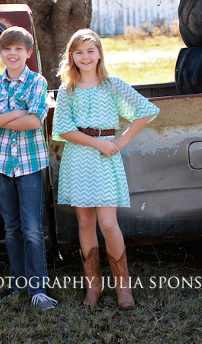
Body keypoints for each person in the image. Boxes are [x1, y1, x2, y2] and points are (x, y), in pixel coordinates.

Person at [51, 29, 159, 309]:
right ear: (71, 57)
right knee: (85, 223)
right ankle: (94, 288)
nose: (85, 57)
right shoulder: (68, 89)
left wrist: (120, 140)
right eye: (79, 52)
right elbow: (63, 128)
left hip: (105, 160)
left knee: (108, 224)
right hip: (79, 157)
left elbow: (146, 110)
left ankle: (123, 288)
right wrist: (96, 143)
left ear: (99, 53)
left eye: (90, 51)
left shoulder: (112, 85)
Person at [0, 26, 58, 311]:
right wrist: (15, 114)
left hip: (30, 164)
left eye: (19, 49)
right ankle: (18, 284)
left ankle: (38, 290)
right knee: (11, 228)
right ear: (0, 53)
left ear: (28, 53)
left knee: (33, 228)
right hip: (0, 165)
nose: (13, 54)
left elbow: (35, 121)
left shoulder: (37, 82)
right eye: (7, 49)